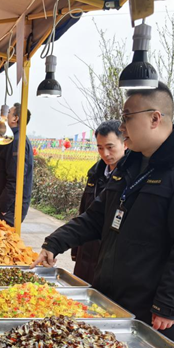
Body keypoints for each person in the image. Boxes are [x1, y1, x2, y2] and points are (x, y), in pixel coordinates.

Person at [32, 82, 174, 348]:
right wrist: (55, 243)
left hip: (153, 311)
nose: (122, 127)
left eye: (127, 117)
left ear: (155, 118)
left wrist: (167, 304)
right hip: (111, 298)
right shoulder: (129, 166)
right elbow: (96, 217)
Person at [71, 121, 127, 284]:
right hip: (86, 250)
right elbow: (84, 211)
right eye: (100, 147)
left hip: (109, 257)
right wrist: (76, 249)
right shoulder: (95, 175)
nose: (105, 153)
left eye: (110, 147)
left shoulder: (129, 178)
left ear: (125, 144)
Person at [0, 103, 34, 227]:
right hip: (7, 207)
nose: (4, 116)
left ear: (15, 118)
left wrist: (3, 208)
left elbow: (15, 178)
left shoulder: (16, 141)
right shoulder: (14, 139)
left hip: (9, 209)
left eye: (8, 113)